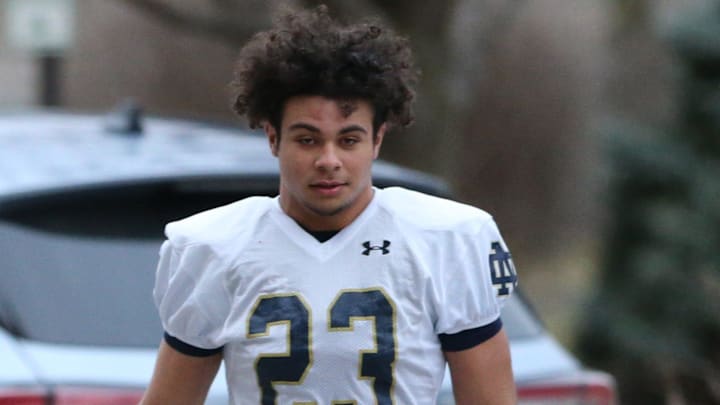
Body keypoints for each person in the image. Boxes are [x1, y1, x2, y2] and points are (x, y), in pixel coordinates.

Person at [141, 5, 518, 405]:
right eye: (307, 139)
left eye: (349, 140)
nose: (329, 160)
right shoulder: (213, 246)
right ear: (273, 138)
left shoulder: (447, 238)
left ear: (377, 140)